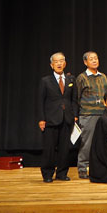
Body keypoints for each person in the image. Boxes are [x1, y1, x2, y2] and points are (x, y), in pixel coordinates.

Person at [38, 52, 76, 182]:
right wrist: (42, 119)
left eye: (61, 61)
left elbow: (74, 99)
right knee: (49, 149)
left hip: (67, 118)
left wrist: (74, 115)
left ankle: (62, 173)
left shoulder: (71, 80)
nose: (59, 63)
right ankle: (47, 174)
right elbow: (40, 101)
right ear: (51, 65)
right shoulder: (45, 81)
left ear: (65, 63)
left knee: (64, 149)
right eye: (56, 61)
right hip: (51, 119)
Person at [75, 51, 107, 179]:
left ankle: (98, 168)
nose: (94, 61)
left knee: (101, 143)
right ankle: (83, 168)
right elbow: (77, 97)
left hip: (102, 113)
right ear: (85, 62)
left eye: (96, 58)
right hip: (88, 114)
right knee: (87, 143)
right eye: (91, 59)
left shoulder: (103, 76)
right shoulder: (81, 78)